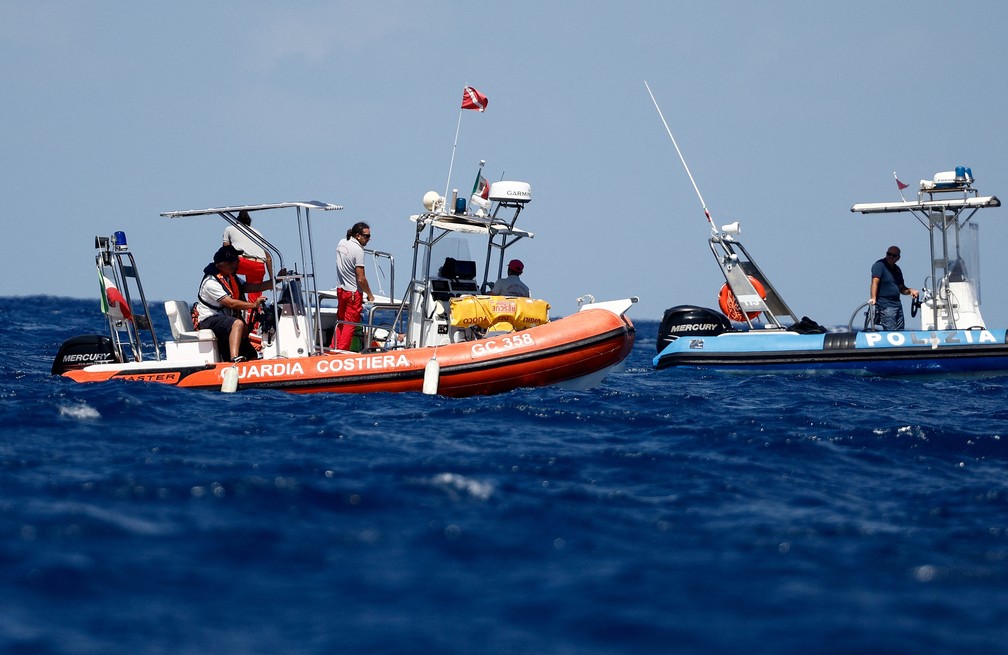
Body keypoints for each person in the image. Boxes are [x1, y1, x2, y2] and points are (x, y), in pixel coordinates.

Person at [195, 244, 275, 361]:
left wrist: (276, 280)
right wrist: (253, 305)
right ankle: (234, 358)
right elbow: (230, 303)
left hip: (224, 320)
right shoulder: (211, 282)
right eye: (232, 261)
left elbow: (254, 287)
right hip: (209, 320)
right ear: (221, 264)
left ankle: (249, 359)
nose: (236, 263)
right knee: (237, 324)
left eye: (236, 260)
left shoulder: (231, 277)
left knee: (250, 349)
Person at [332, 222, 374, 350]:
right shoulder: (358, 251)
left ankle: (333, 348)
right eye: (366, 236)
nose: (368, 239)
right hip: (353, 293)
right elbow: (361, 278)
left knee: (340, 322)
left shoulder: (342, 243)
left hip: (341, 289)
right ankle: (341, 352)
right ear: (358, 236)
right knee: (350, 324)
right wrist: (370, 295)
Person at [222, 210, 273, 306]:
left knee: (223, 269)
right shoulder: (258, 233)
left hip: (243, 262)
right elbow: (268, 258)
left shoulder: (230, 229)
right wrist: (271, 280)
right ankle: (254, 319)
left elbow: (225, 251)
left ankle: (231, 298)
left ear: (237, 221)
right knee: (255, 299)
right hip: (259, 265)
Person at [869, 246, 918, 331]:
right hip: (886, 305)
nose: (890, 257)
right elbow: (874, 282)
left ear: (898, 258)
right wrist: (873, 298)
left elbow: (901, 288)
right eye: (889, 254)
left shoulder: (897, 270)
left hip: (897, 304)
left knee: (900, 330)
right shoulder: (879, 265)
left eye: (894, 255)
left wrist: (910, 290)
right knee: (890, 330)